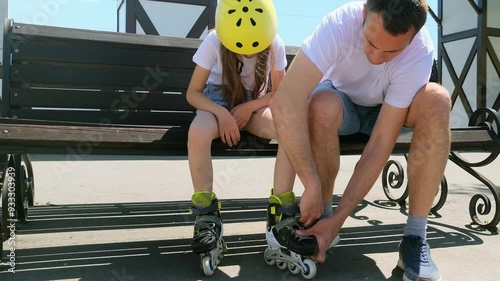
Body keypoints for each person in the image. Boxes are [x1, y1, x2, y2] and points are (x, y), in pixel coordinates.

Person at [270, 1, 450, 281]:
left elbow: (380, 142)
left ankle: (415, 237)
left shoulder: (420, 50)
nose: (376, 58)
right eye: (369, 42)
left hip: (389, 111)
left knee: (436, 100)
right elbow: (286, 101)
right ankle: (322, 216)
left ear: (413, 37)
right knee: (320, 105)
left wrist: (341, 220)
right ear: (364, 14)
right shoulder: (339, 24)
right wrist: (311, 183)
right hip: (342, 103)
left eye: (391, 51)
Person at [185, 0, 317, 275]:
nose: (249, 53)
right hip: (215, 102)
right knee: (197, 132)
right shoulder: (213, 40)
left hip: (254, 105)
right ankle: (206, 215)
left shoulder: (274, 42)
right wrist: (222, 114)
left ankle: (281, 214)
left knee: (288, 130)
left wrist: (247, 107)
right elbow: (193, 93)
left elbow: (280, 93)